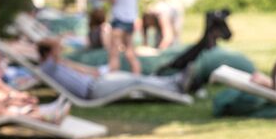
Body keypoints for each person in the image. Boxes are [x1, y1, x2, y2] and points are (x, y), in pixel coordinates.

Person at [36, 38, 193, 100]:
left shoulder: (56, 64)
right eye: (56, 49)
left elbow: (74, 65)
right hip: (94, 90)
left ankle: (172, 81)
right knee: (135, 81)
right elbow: (53, 47)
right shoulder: (48, 67)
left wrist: (94, 71)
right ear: (49, 53)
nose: (60, 50)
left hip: (97, 82)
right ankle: (175, 85)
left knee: (133, 78)